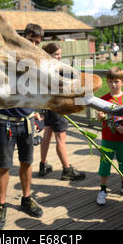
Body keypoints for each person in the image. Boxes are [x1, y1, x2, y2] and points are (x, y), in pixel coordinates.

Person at [0, 23, 44, 230]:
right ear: (22, 37)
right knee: (4, 165)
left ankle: (26, 198)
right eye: (30, 40)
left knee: (27, 162)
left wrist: (38, 111)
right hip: (6, 123)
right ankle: (1, 204)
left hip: (28, 122)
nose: (32, 44)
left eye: (36, 42)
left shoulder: (38, 64)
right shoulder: (7, 61)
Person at [38, 43, 85, 181]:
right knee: (61, 138)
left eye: (60, 54)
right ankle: (67, 169)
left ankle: (43, 165)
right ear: (49, 55)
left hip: (48, 106)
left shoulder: (43, 68)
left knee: (47, 133)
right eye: (56, 54)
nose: (59, 57)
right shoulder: (54, 69)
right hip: (57, 106)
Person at [95, 66, 123, 205]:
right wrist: (100, 116)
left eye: (117, 81)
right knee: (105, 163)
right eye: (111, 81)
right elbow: (99, 117)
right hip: (107, 138)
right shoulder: (103, 99)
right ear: (107, 82)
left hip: (122, 138)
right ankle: (102, 190)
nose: (114, 84)